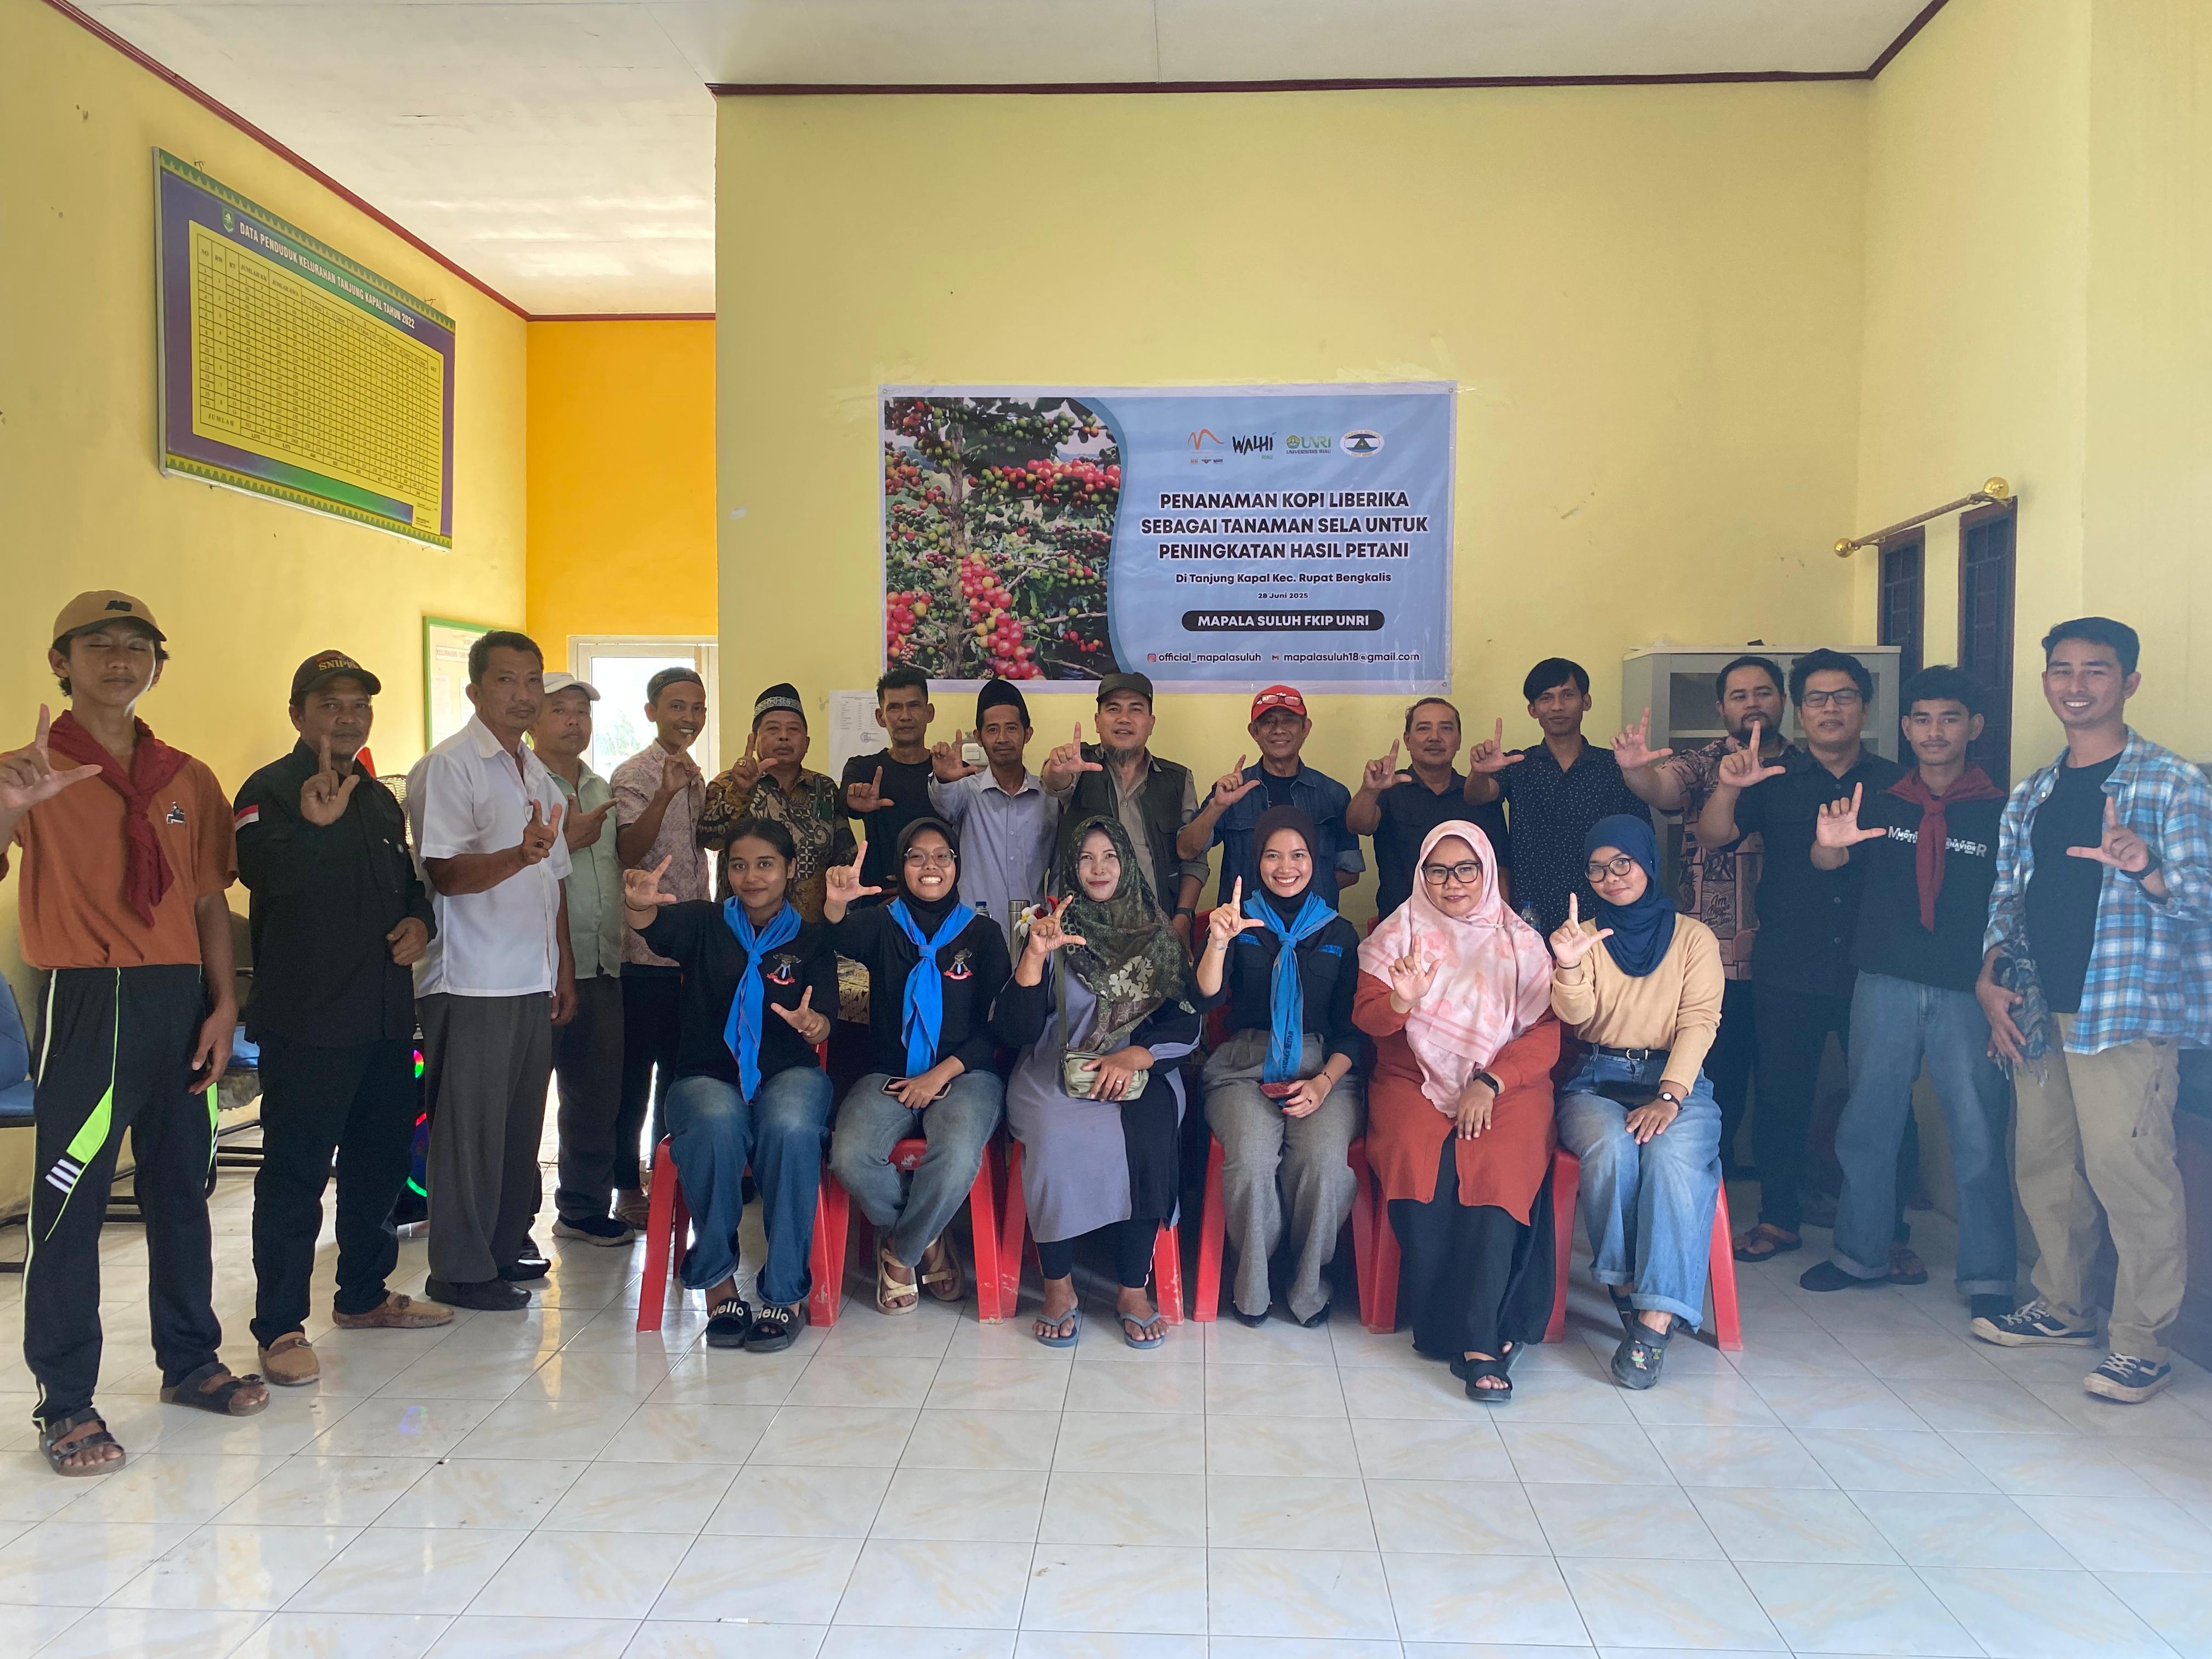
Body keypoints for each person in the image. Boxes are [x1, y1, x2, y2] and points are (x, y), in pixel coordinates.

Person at [2, 592, 267, 1474]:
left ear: (158, 664)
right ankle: (65, 1403)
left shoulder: (186, 777)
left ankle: (189, 1362)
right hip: (90, 1003)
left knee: (182, 1191)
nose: (119, 660)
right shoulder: (26, 770)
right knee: (70, 1206)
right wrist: (12, 805)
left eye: (136, 646)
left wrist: (223, 1006)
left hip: (181, 1003)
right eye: (98, 645)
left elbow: (208, 900)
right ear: (61, 662)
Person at [1973, 618, 2212, 1404]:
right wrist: (1990, 976)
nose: (2076, 686)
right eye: (2062, 670)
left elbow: (2205, 899)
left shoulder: (2173, 783)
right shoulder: (2034, 790)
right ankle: (2064, 1308)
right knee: (2045, 1166)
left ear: (2129, 683)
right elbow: (2007, 895)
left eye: (2096, 671)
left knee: (2129, 1174)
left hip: (2125, 1015)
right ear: (2046, 681)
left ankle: (2143, 1346)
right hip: (2039, 1007)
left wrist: (2147, 868)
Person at [234, 650, 451, 1391]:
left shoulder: (380, 799)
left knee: (379, 1164)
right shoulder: (270, 790)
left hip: (384, 1017)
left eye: (359, 704)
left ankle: (363, 1294)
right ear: (298, 714)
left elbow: (408, 887)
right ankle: (279, 1327)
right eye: (330, 704)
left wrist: (420, 925)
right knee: (295, 1177)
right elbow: (263, 876)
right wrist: (315, 828)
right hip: (308, 1022)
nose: (348, 717)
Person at [1796, 666, 2015, 1322]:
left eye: (1949, 718)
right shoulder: (1881, 799)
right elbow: (1831, 863)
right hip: (1884, 981)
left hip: (1966, 991)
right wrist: (1827, 848)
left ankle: (1989, 1275)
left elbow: (2016, 902)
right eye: (1922, 719)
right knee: (1868, 1124)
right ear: (1905, 727)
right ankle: (1858, 1255)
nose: (1934, 731)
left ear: (1974, 727)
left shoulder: (2002, 809)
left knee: (1977, 1131)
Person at [1692, 648, 1905, 1267]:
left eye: (1843, 697)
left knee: (1884, 1100)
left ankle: (1889, 1231)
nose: (1830, 709)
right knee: (1782, 1097)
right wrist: (1729, 787)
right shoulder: (1775, 778)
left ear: (1864, 706)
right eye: (1817, 698)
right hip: (1789, 961)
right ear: (1800, 711)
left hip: (1875, 963)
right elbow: (1712, 836)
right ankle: (1779, 1219)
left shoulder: (1897, 783)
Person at [1353, 821, 1560, 1402]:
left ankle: (1481, 1336)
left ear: (1487, 871)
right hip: (1410, 1077)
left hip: (1508, 1080)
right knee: (1422, 1161)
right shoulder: (1397, 936)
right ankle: (1443, 1325)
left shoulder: (1520, 943)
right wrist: (1401, 1000)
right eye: (1438, 871)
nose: (1453, 883)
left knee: (1497, 1164)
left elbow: (1546, 1035)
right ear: (1421, 874)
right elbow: (1367, 1018)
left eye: (1466, 869)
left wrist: (1491, 1081)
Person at [406, 629, 577, 1313]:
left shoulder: (534, 772)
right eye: (507, 680)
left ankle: (502, 1249)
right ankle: (458, 1269)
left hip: (530, 978)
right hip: (471, 979)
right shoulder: (450, 766)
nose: (523, 694)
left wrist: (562, 970)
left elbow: (553, 882)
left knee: (517, 1130)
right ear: (475, 690)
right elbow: (445, 874)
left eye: (533, 680)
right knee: (468, 1134)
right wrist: (518, 855)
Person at [624, 819, 838, 1350]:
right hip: (706, 1075)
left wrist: (813, 1025)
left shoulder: (811, 938)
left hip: (789, 1074)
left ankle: (786, 1292)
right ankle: (719, 1284)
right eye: (739, 865)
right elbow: (653, 924)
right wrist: (638, 904)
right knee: (717, 1125)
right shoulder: (705, 923)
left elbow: (826, 1020)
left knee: (790, 1128)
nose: (751, 877)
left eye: (765, 864)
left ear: (790, 868)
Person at [996, 816, 1201, 1347]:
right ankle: (1059, 1286)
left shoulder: (1157, 935)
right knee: (1054, 1132)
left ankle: (1133, 1288)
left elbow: (1186, 1021)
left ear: (1127, 863)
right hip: (1054, 1066)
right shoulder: (1048, 928)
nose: (1098, 868)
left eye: (1110, 856)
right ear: (1071, 866)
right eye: (1086, 858)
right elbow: (1014, 1029)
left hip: (1138, 1069)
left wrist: (1136, 1055)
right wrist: (1034, 958)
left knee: (1151, 1132)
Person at [1551, 816, 1725, 1390]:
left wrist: (1670, 1096)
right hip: (1596, 1078)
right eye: (1597, 868)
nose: (1611, 877)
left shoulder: (1693, 939)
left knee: (1672, 1156)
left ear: (1648, 862)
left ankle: (1653, 1322)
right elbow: (1576, 1018)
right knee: (1612, 1146)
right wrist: (1569, 965)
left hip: (1678, 1079)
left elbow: (1699, 1022)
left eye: (1622, 863)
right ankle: (1625, 1284)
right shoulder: (1585, 938)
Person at [1615, 655, 1791, 1175]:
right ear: (1721, 707)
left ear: (1782, 700)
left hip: (1790, 947)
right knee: (1719, 1073)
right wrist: (1635, 771)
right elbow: (1661, 789)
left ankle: (1778, 1188)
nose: (1752, 703)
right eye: (1739, 695)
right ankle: (1714, 1180)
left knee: (1784, 1079)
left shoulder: (1804, 764)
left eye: (1763, 692)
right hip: (1714, 952)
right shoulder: (1703, 762)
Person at [826, 819, 1011, 1313]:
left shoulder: (983, 934)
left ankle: (900, 1251)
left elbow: (1000, 1027)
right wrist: (837, 903)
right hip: (889, 1072)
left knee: (956, 1152)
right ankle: (928, 1240)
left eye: (942, 855)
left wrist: (940, 1074)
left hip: (965, 1074)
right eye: (916, 856)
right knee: (849, 1154)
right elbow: (835, 934)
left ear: (957, 865)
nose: (931, 866)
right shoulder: (881, 924)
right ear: (900, 867)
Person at [1196, 807, 1365, 1327]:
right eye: (1272, 855)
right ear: (1256, 860)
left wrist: (1324, 1083)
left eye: (1298, 855)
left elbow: (1351, 1030)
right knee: (1250, 1159)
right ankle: (1255, 1283)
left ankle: (1308, 1282)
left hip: (1323, 1069)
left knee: (1325, 1164)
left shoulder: (1339, 932)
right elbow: (1205, 999)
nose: (1285, 867)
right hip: (1243, 1066)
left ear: (1315, 860)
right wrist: (1218, 943)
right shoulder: (1236, 921)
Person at [529, 674, 633, 1247]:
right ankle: (512, 1224)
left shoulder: (599, 786)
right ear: (532, 718)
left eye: (582, 712)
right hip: (537, 968)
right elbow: (517, 868)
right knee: (523, 1103)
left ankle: (583, 1209)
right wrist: (569, 841)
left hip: (603, 961)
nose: (574, 721)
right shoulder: (521, 782)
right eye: (560, 710)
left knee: (596, 1098)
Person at [610, 666, 711, 1230]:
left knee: (677, 1076)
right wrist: (666, 792)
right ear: (651, 712)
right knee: (633, 1080)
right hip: (643, 953)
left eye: (697, 708)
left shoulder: (695, 774)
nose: (688, 718)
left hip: (688, 953)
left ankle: (666, 1178)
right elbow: (629, 849)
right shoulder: (635, 774)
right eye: (677, 706)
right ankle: (626, 1185)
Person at [1462, 658, 1652, 935]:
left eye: (1568, 695)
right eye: (1546, 698)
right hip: (1533, 905)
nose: (1557, 706)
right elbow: (1478, 796)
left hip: (1604, 899)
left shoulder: (1615, 766)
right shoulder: (1519, 764)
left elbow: (1643, 840)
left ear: (1586, 701)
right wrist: (1479, 773)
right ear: (1533, 709)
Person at [1040, 673, 1206, 949]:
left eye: (1136, 709)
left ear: (1151, 723)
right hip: (1085, 937)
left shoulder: (1177, 780)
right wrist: (1056, 769)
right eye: (1113, 709)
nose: (1124, 719)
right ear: (1097, 721)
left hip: (1157, 935)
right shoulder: (1079, 766)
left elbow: (1195, 861)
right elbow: (1054, 783)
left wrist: (1183, 918)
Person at [1178, 686, 1363, 910]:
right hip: (1243, 925)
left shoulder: (1334, 794)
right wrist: (1216, 807)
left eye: (1289, 721)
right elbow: (1186, 851)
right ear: (1254, 732)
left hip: (1314, 927)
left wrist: (1292, 890)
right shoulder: (1229, 792)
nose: (1279, 730)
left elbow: (1350, 871)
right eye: (1268, 722)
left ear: (1305, 728)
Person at [698, 684, 855, 922]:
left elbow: (845, 858)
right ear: (754, 740)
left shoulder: (824, 788)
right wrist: (740, 792)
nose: (784, 736)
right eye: (773, 729)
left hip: (812, 929)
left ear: (807, 743)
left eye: (793, 729)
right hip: (742, 929)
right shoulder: (729, 782)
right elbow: (709, 841)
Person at [1347, 697, 1511, 920]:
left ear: (1459, 740)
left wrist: (1500, 925)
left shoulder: (1478, 794)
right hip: (1402, 924)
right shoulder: (1389, 790)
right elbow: (1358, 826)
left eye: (1446, 728)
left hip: (1470, 927)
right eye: (1424, 728)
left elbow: (1500, 868)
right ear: (1407, 739)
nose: (1435, 737)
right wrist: (1370, 790)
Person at [928, 678, 1059, 950]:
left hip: (1033, 937)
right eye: (992, 730)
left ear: (1028, 733)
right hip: (972, 935)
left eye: (1011, 728)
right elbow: (945, 803)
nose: (1002, 739)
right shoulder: (967, 792)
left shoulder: (1050, 798)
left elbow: (1059, 869)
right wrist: (945, 779)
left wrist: (1054, 913)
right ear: (979, 737)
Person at [843, 665, 939, 906]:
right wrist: (854, 801)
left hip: (938, 899)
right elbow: (846, 803)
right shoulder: (863, 769)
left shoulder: (948, 772)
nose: (905, 716)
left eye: (914, 706)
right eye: (894, 707)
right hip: (878, 901)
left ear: (929, 712)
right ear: (880, 717)